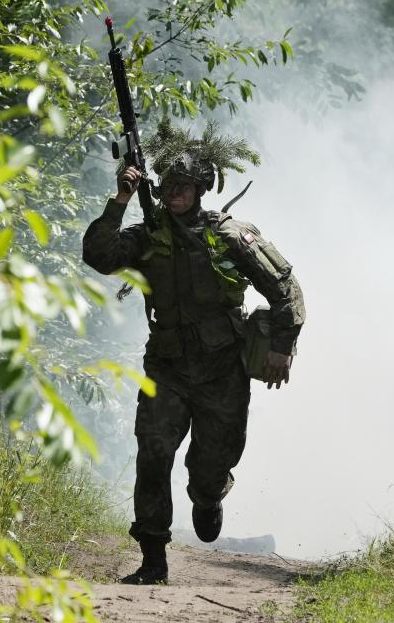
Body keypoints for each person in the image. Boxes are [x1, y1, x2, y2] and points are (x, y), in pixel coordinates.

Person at [82, 150, 305, 585]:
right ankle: (153, 558)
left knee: (209, 465)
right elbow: (98, 255)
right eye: (168, 185)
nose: (176, 192)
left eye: (185, 185)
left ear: (201, 188)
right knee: (153, 452)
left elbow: (285, 288)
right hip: (167, 367)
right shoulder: (149, 234)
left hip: (222, 371)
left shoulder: (229, 236)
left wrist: (282, 346)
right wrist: (121, 198)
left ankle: (208, 496)